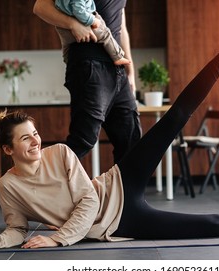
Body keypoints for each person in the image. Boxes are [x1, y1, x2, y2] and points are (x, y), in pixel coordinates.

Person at [0, 17, 219, 250]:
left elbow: (89, 201)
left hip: (118, 184)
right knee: (215, 224)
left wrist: (58, 239)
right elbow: (17, 227)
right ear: (8, 150)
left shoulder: (60, 154)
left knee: (173, 118)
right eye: (26, 139)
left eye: (35, 133)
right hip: (123, 223)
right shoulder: (9, 187)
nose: (37, 140)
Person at [33, 0, 141, 164]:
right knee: (84, 139)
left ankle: (124, 190)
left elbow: (121, 27)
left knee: (131, 141)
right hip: (89, 63)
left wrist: (130, 72)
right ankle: (38, 182)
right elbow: (40, 7)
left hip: (118, 69)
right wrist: (72, 24)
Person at [54, 0, 130, 65]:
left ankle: (67, 59)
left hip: (63, 28)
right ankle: (117, 56)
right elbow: (79, 10)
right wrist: (93, 20)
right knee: (105, 35)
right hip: (84, 24)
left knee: (66, 44)